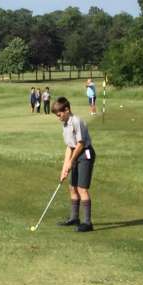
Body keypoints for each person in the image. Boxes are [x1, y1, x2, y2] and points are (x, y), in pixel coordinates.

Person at [52, 96, 95, 232]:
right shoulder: (65, 125)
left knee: (82, 188)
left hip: (85, 154)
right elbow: (69, 147)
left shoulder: (77, 121)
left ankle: (88, 223)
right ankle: (74, 218)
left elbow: (80, 144)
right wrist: (64, 167)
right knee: (72, 187)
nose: (58, 118)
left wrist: (72, 161)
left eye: (59, 115)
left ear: (67, 110)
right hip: (75, 153)